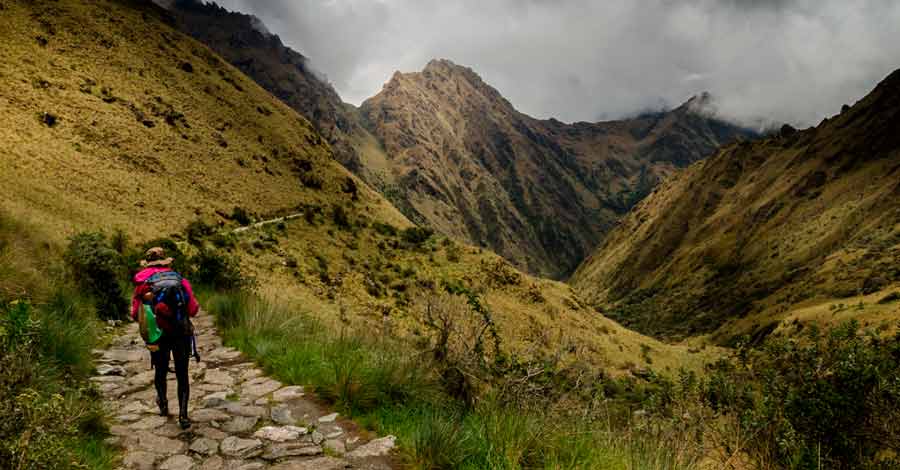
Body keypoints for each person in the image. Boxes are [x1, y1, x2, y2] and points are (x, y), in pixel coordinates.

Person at [130, 247, 200, 429]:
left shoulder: (143, 285)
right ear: (166, 262)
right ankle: (183, 415)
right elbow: (193, 309)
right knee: (182, 374)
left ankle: (163, 404)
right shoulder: (180, 280)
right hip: (180, 332)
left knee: (160, 370)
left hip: (157, 335)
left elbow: (133, 314)